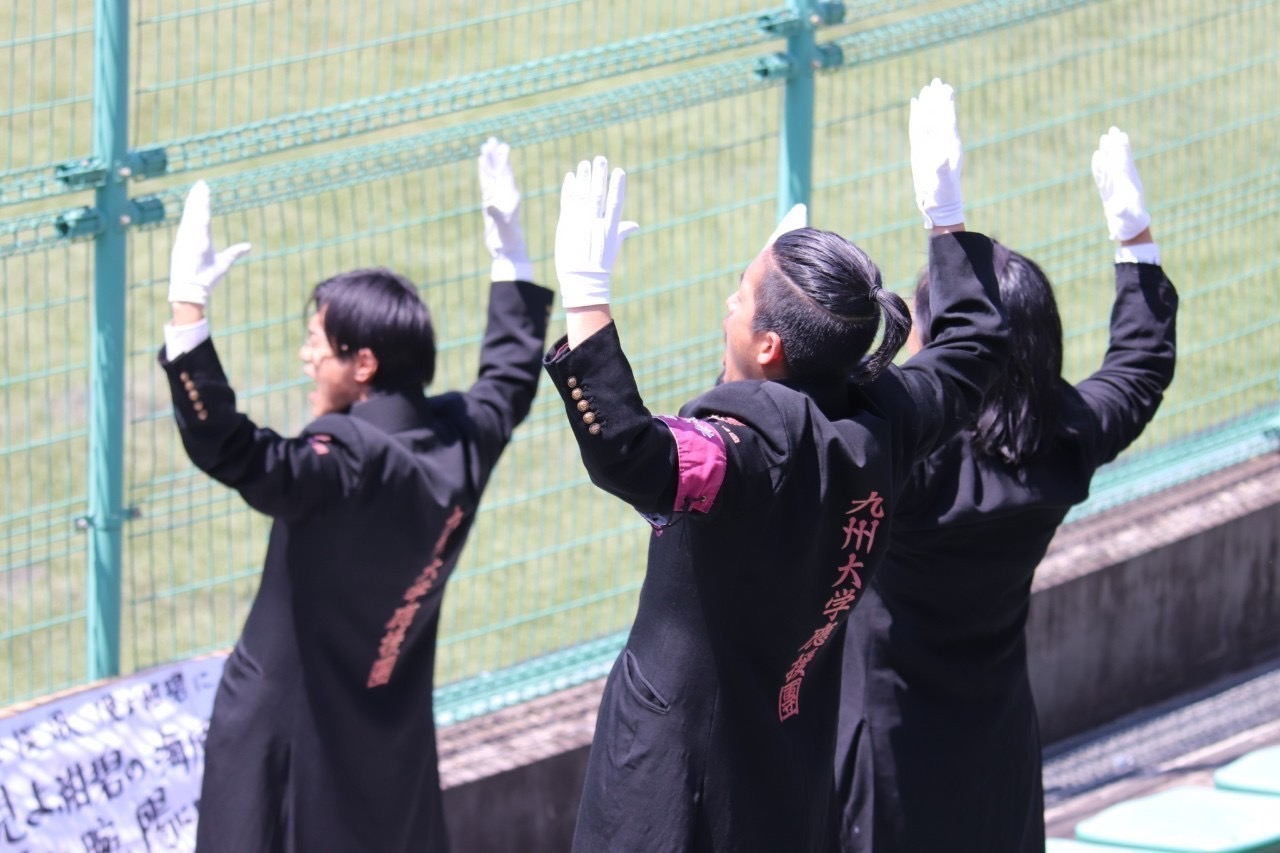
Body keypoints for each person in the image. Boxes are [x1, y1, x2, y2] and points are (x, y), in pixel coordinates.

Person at [542, 79, 1008, 851]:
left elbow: (633, 453)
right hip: (786, 763)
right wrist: (947, 219)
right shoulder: (883, 414)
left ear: (769, 345)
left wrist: (587, 301)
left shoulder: (746, 450)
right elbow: (974, 349)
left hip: (673, 782)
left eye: (741, 291)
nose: (728, 301)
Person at [158, 138, 554, 852]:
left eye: (318, 341)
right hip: (383, 735)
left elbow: (234, 449)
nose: (306, 355)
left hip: (282, 741)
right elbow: (509, 377)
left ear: (363, 363)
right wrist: (511, 254)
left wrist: (188, 311)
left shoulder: (346, 462)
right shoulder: (462, 440)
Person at [833, 127, 1178, 852]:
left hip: (885, 748)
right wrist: (1134, 239)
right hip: (997, 746)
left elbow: (804, 426)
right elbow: (1140, 366)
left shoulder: (906, 461)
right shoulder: (1066, 440)